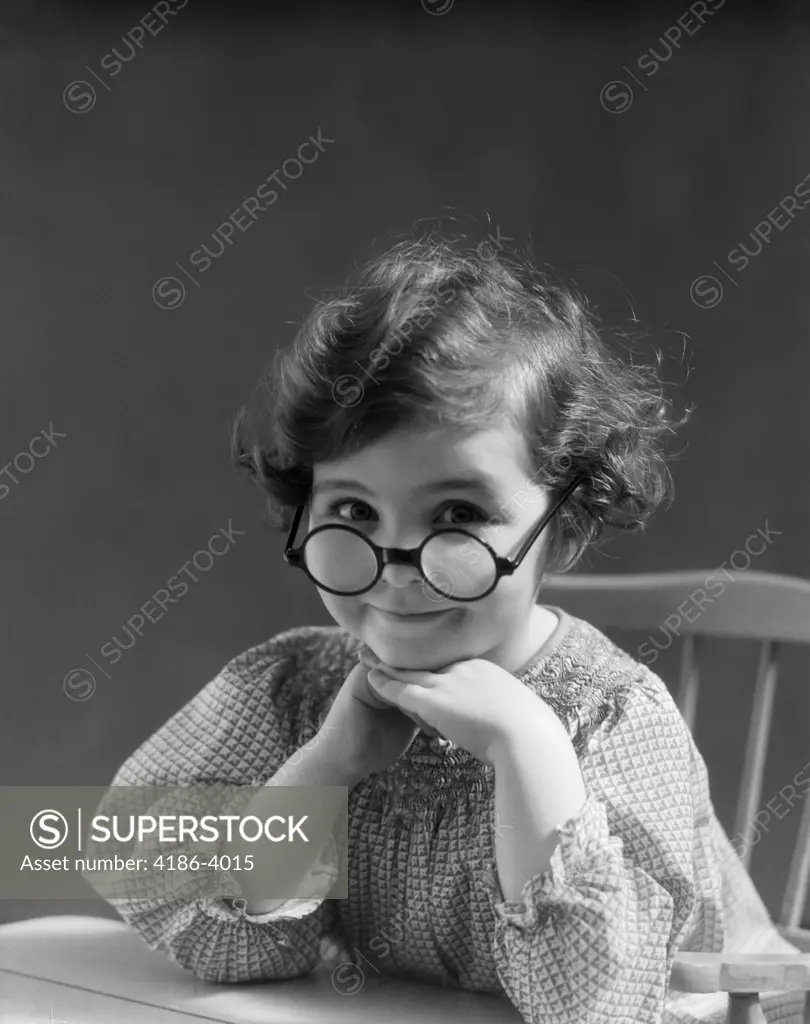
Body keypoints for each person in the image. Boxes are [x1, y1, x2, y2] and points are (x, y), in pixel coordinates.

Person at [100, 227, 806, 1024]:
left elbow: (598, 1006)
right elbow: (183, 905)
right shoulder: (296, 691)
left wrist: (525, 747)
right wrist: (327, 765)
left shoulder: (610, 721)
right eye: (355, 511)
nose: (398, 563)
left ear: (563, 529)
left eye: (459, 513)